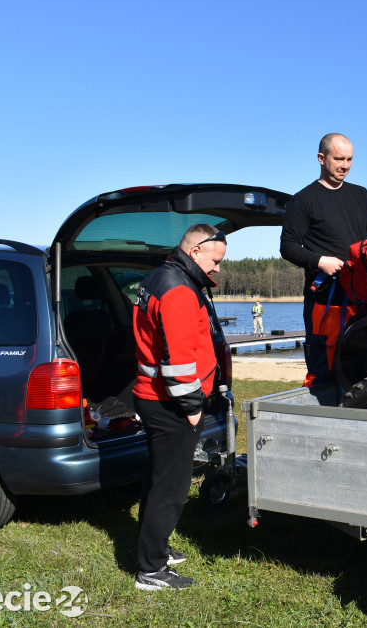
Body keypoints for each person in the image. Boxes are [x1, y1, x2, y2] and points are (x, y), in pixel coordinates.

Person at [131, 224, 227, 591]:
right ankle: (151, 570)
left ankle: (155, 548)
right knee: (170, 487)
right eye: (216, 260)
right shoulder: (179, 291)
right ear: (197, 251)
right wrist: (191, 407)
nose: (217, 269)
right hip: (171, 403)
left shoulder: (158, 278)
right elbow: (178, 360)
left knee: (157, 478)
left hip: (152, 394)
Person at [280, 133, 367, 385]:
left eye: (349, 159)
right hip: (324, 298)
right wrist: (319, 261)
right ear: (321, 158)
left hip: (362, 297)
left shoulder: (362, 195)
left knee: (364, 364)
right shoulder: (303, 200)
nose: (345, 165)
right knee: (324, 367)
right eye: (338, 159)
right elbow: (288, 247)